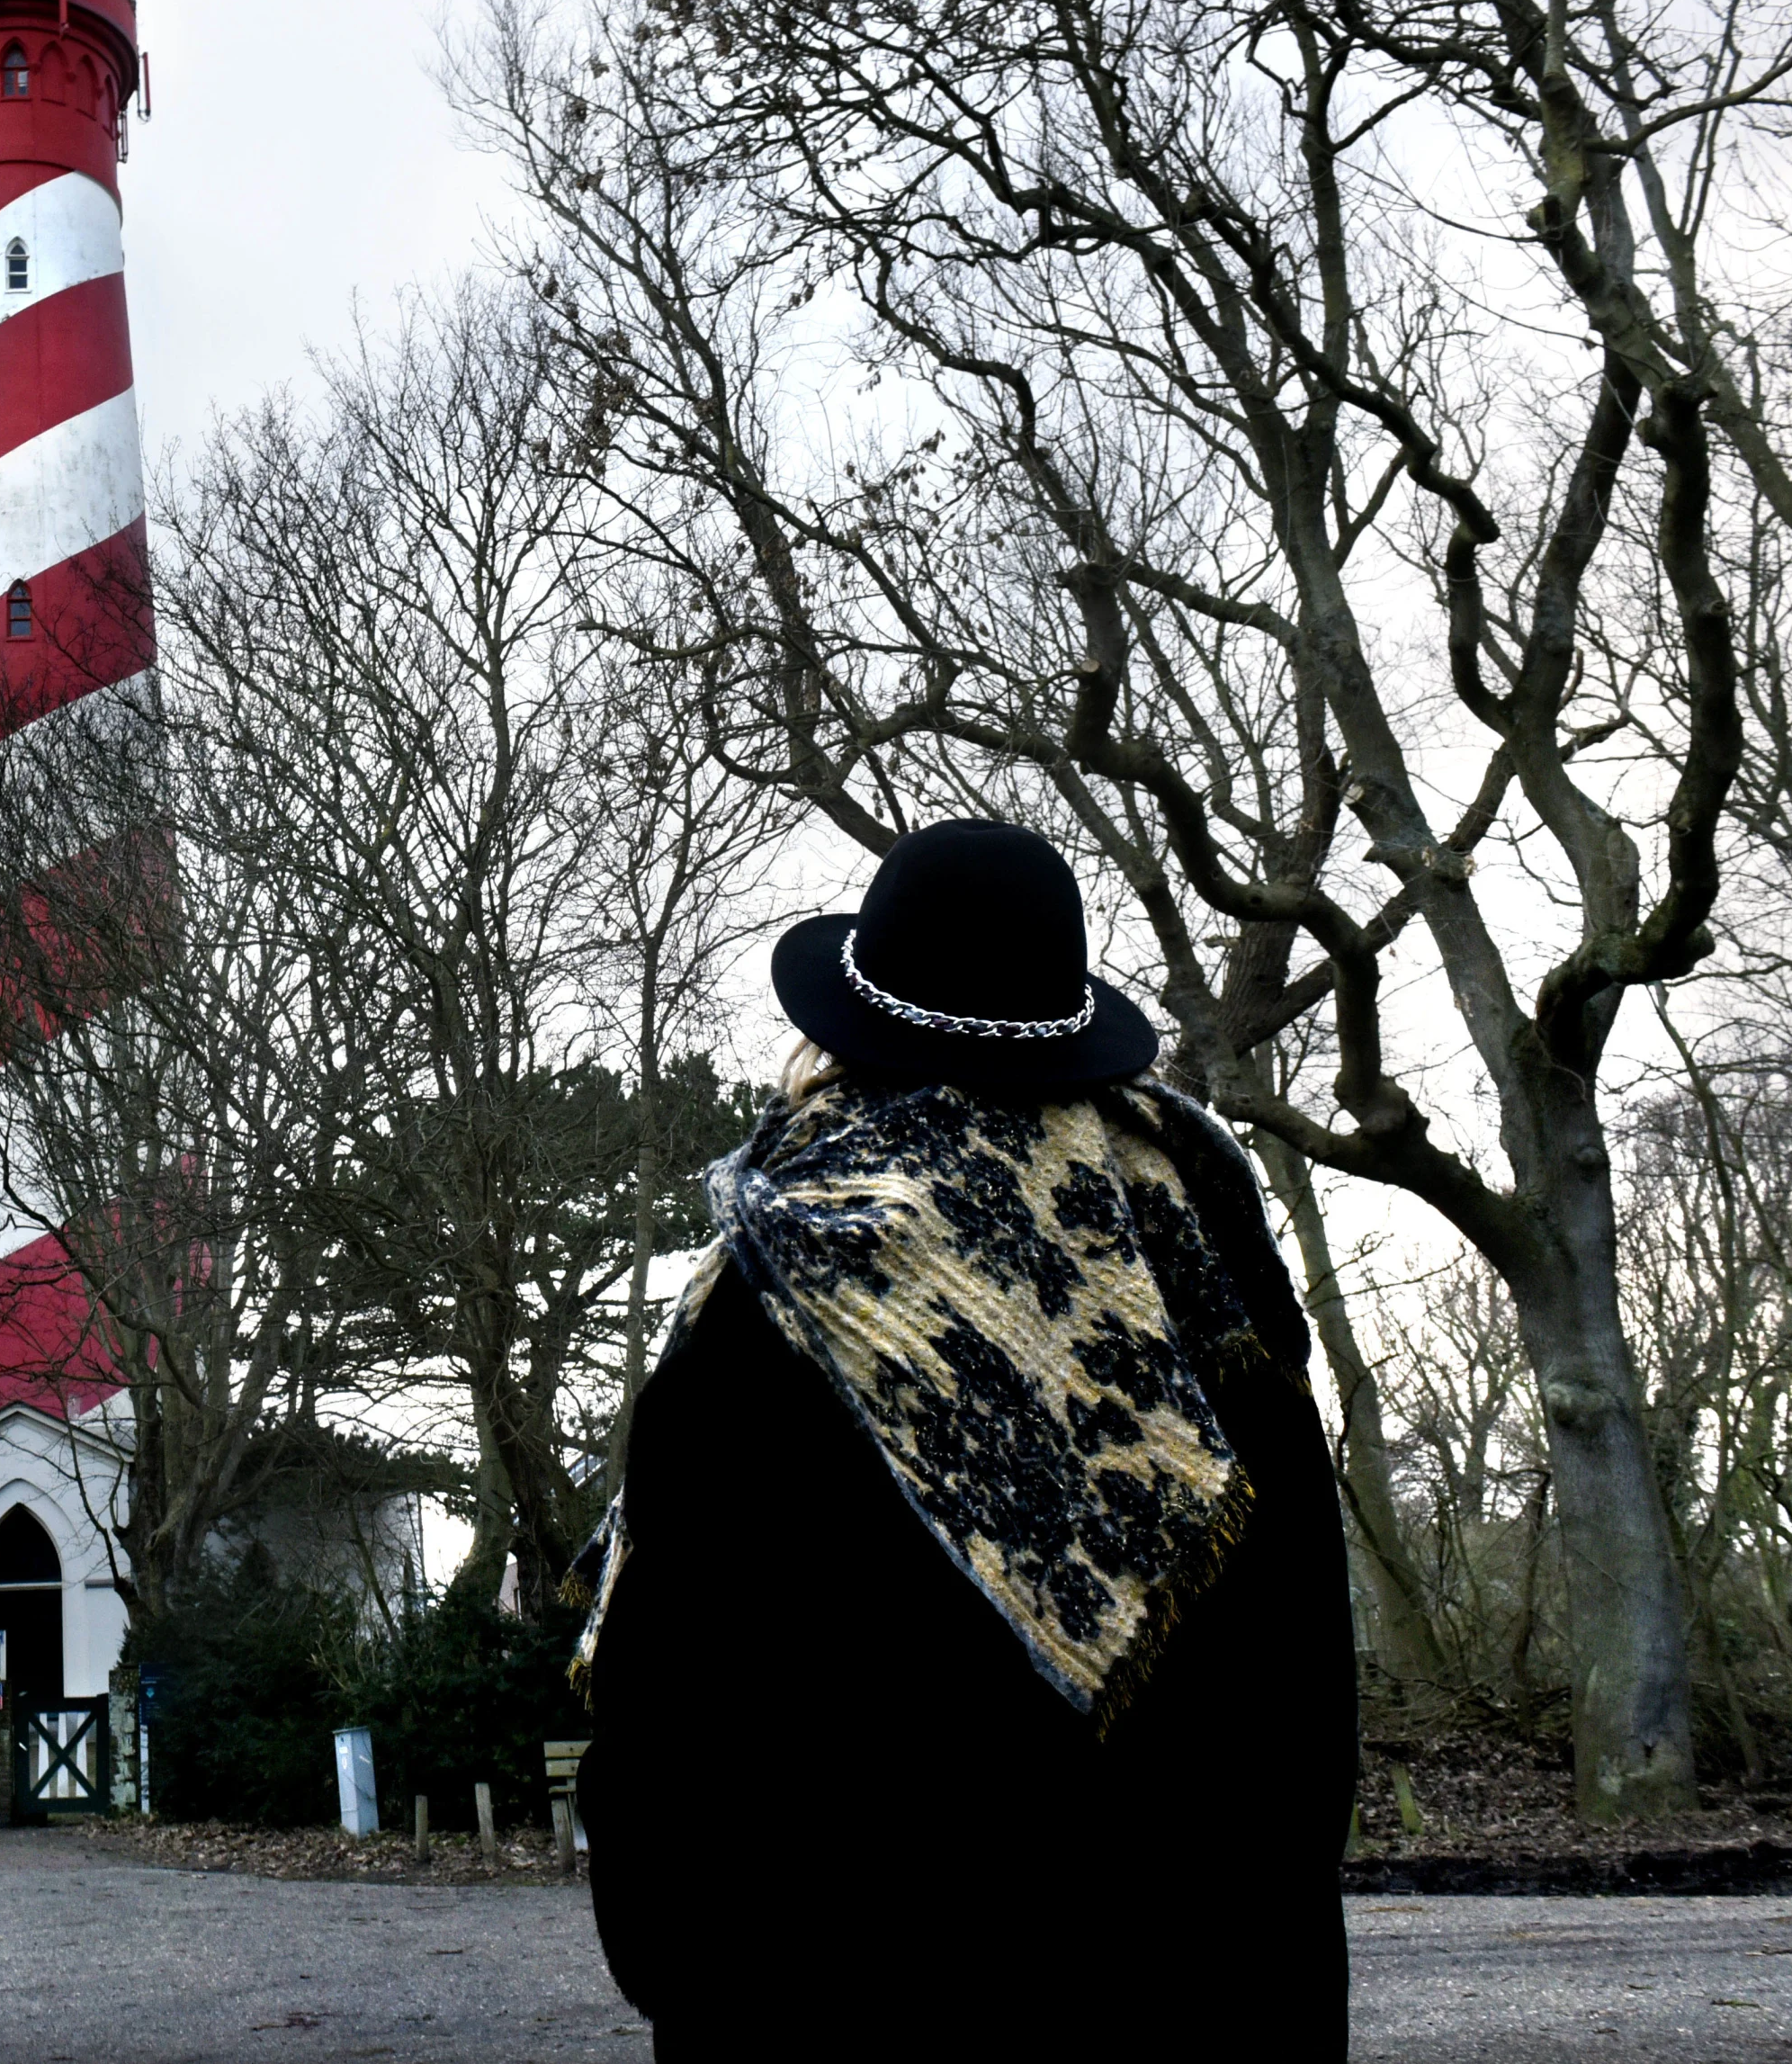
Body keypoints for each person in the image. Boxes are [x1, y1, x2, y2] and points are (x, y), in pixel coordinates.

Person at [574, 819, 1356, 2060]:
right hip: (1198, 1986)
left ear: (847, 1020)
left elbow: (675, 1694)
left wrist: (680, 1958)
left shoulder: (795, 1258)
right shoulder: (1198, 1240)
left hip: (847, 1990)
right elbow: (1302, 1660)